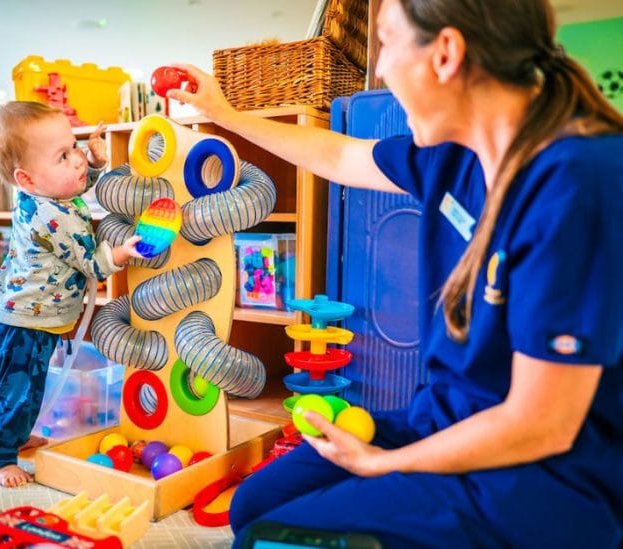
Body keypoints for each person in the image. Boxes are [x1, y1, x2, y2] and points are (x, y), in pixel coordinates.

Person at [168, 0, 623, 545]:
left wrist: (386, 465)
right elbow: (337, 157)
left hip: (541, 478)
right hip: (444, 418)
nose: (379, 69)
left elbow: (542, 424)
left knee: (269, 539)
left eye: (387, 43)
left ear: (446, 54)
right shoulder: (452, 154)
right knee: (258, 505)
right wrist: (227, 114)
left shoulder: (580, 181)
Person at [0, 102, 141, 487]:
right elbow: (92, 264)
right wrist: (122, 252)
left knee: (21, 389)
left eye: (75, 145)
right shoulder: (53, 217)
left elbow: (76, 187)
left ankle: (14, 436)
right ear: (27, 178)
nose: (78, 159)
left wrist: (97, 165)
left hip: (16, 315)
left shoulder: (40, 195)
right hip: (26, 323)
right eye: (63, 155)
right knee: (19, 393)